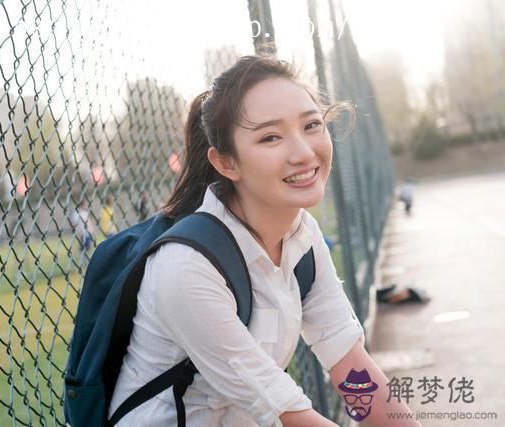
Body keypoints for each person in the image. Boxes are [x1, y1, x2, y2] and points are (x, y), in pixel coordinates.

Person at [108, 56, 420, 426]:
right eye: (270, 137)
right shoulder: (187, 266)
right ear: (227, 163)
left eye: (311, 125)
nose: (304, 153)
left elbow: (350, 364)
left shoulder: (301, 236)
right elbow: (287, 413)